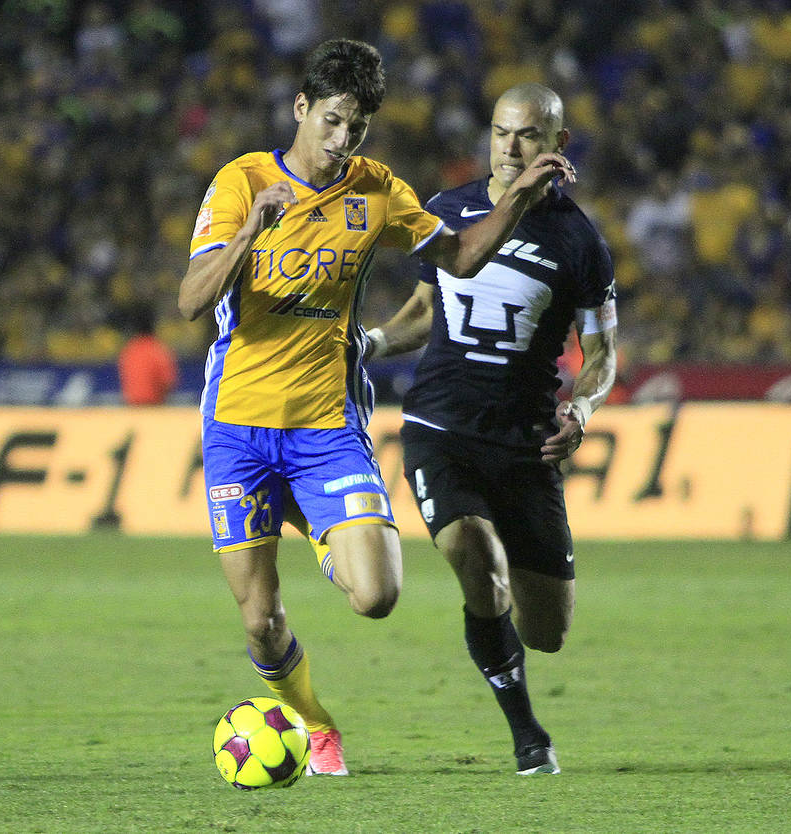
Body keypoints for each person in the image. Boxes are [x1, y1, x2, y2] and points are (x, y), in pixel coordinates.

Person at [178, 41, 575, 776]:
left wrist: (517, 195)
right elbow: (192, 301)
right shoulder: (242, 181)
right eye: (330, 121)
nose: (339, 140)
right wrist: (248, 233)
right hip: (236, 426)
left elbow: (459, 257)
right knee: (261, 621)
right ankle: (316, 724)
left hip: (326, 424)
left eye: (355, 129)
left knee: (378, 595)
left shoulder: (377, 191)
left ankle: (311, 519)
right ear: (302, 108)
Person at [366, 82, 617, 775]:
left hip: (527, 441)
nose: (510, 147)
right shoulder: (449, 210)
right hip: (439, 427)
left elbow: (602, 353)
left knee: (547, 630)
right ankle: (528, 736)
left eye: (529, 135)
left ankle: (507, 648)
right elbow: (424, 309)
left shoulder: (581, 241)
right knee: (478, 562)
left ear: (558, 146)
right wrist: (369, 345)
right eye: (501, 132)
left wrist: (583, 411)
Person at [117, 304, 179, 405]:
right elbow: (168, 382)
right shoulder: (157, 350)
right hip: (154, 408)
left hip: (131, 409)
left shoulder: (129, 350)